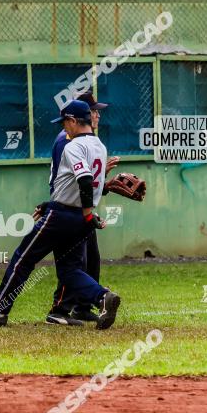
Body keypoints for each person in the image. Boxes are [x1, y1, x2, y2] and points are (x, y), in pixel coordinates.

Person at [0, 99, 121, 330]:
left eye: (65, 122)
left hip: (62, 215)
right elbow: (82, 183)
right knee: (70, 271)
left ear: (73, 120)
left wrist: (88, 211)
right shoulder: (99, 146)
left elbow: (85, 179)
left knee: (23, 259)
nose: (64, 127)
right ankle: (102, 297)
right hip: (79, 219)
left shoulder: (73, 146)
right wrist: (87, 213)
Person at [46, 92, 118, 325]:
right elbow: (65, 180)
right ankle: (60, 309)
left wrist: (104, 183)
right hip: (68, 209)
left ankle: (83, 307)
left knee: (91, 259)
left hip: (82, 207)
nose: (96, 114)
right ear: (78, 117)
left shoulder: (89, 141)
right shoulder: (66, 140)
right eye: (93, 110)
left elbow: (87, 178)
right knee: (72, 262)